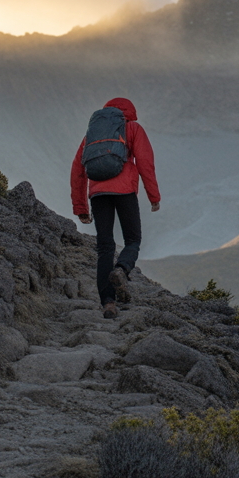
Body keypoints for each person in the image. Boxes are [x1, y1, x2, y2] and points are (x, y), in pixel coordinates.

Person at [70, 97, 161, 318]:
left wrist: (81, 207)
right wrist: (153, 197)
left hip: (98, 194)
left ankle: (108, 304)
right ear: (130, 112)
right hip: (125, 191)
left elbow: (77, 168)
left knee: (104, 247)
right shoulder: (132, 128)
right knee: (132, 240)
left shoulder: (94, 133)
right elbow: (145, 163)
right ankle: (121, 270)